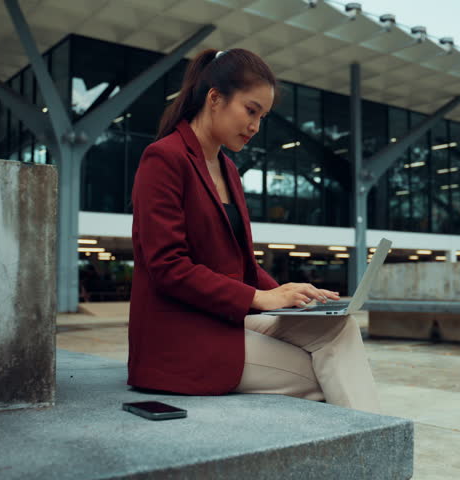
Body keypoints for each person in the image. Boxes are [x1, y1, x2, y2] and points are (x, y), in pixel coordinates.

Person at [127, 48, 380, 414]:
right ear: (215, 98)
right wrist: (260, 299)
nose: (256, 126)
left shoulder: (228, 169)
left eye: (262, 115)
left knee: (340, 330)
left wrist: (289, 294)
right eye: (251, 110)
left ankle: (374, 447)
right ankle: (372, 454)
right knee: (325, 373)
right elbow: (168, 267)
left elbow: (243, 265)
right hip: (180, 337)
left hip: (224, 322)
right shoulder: (164, 158)